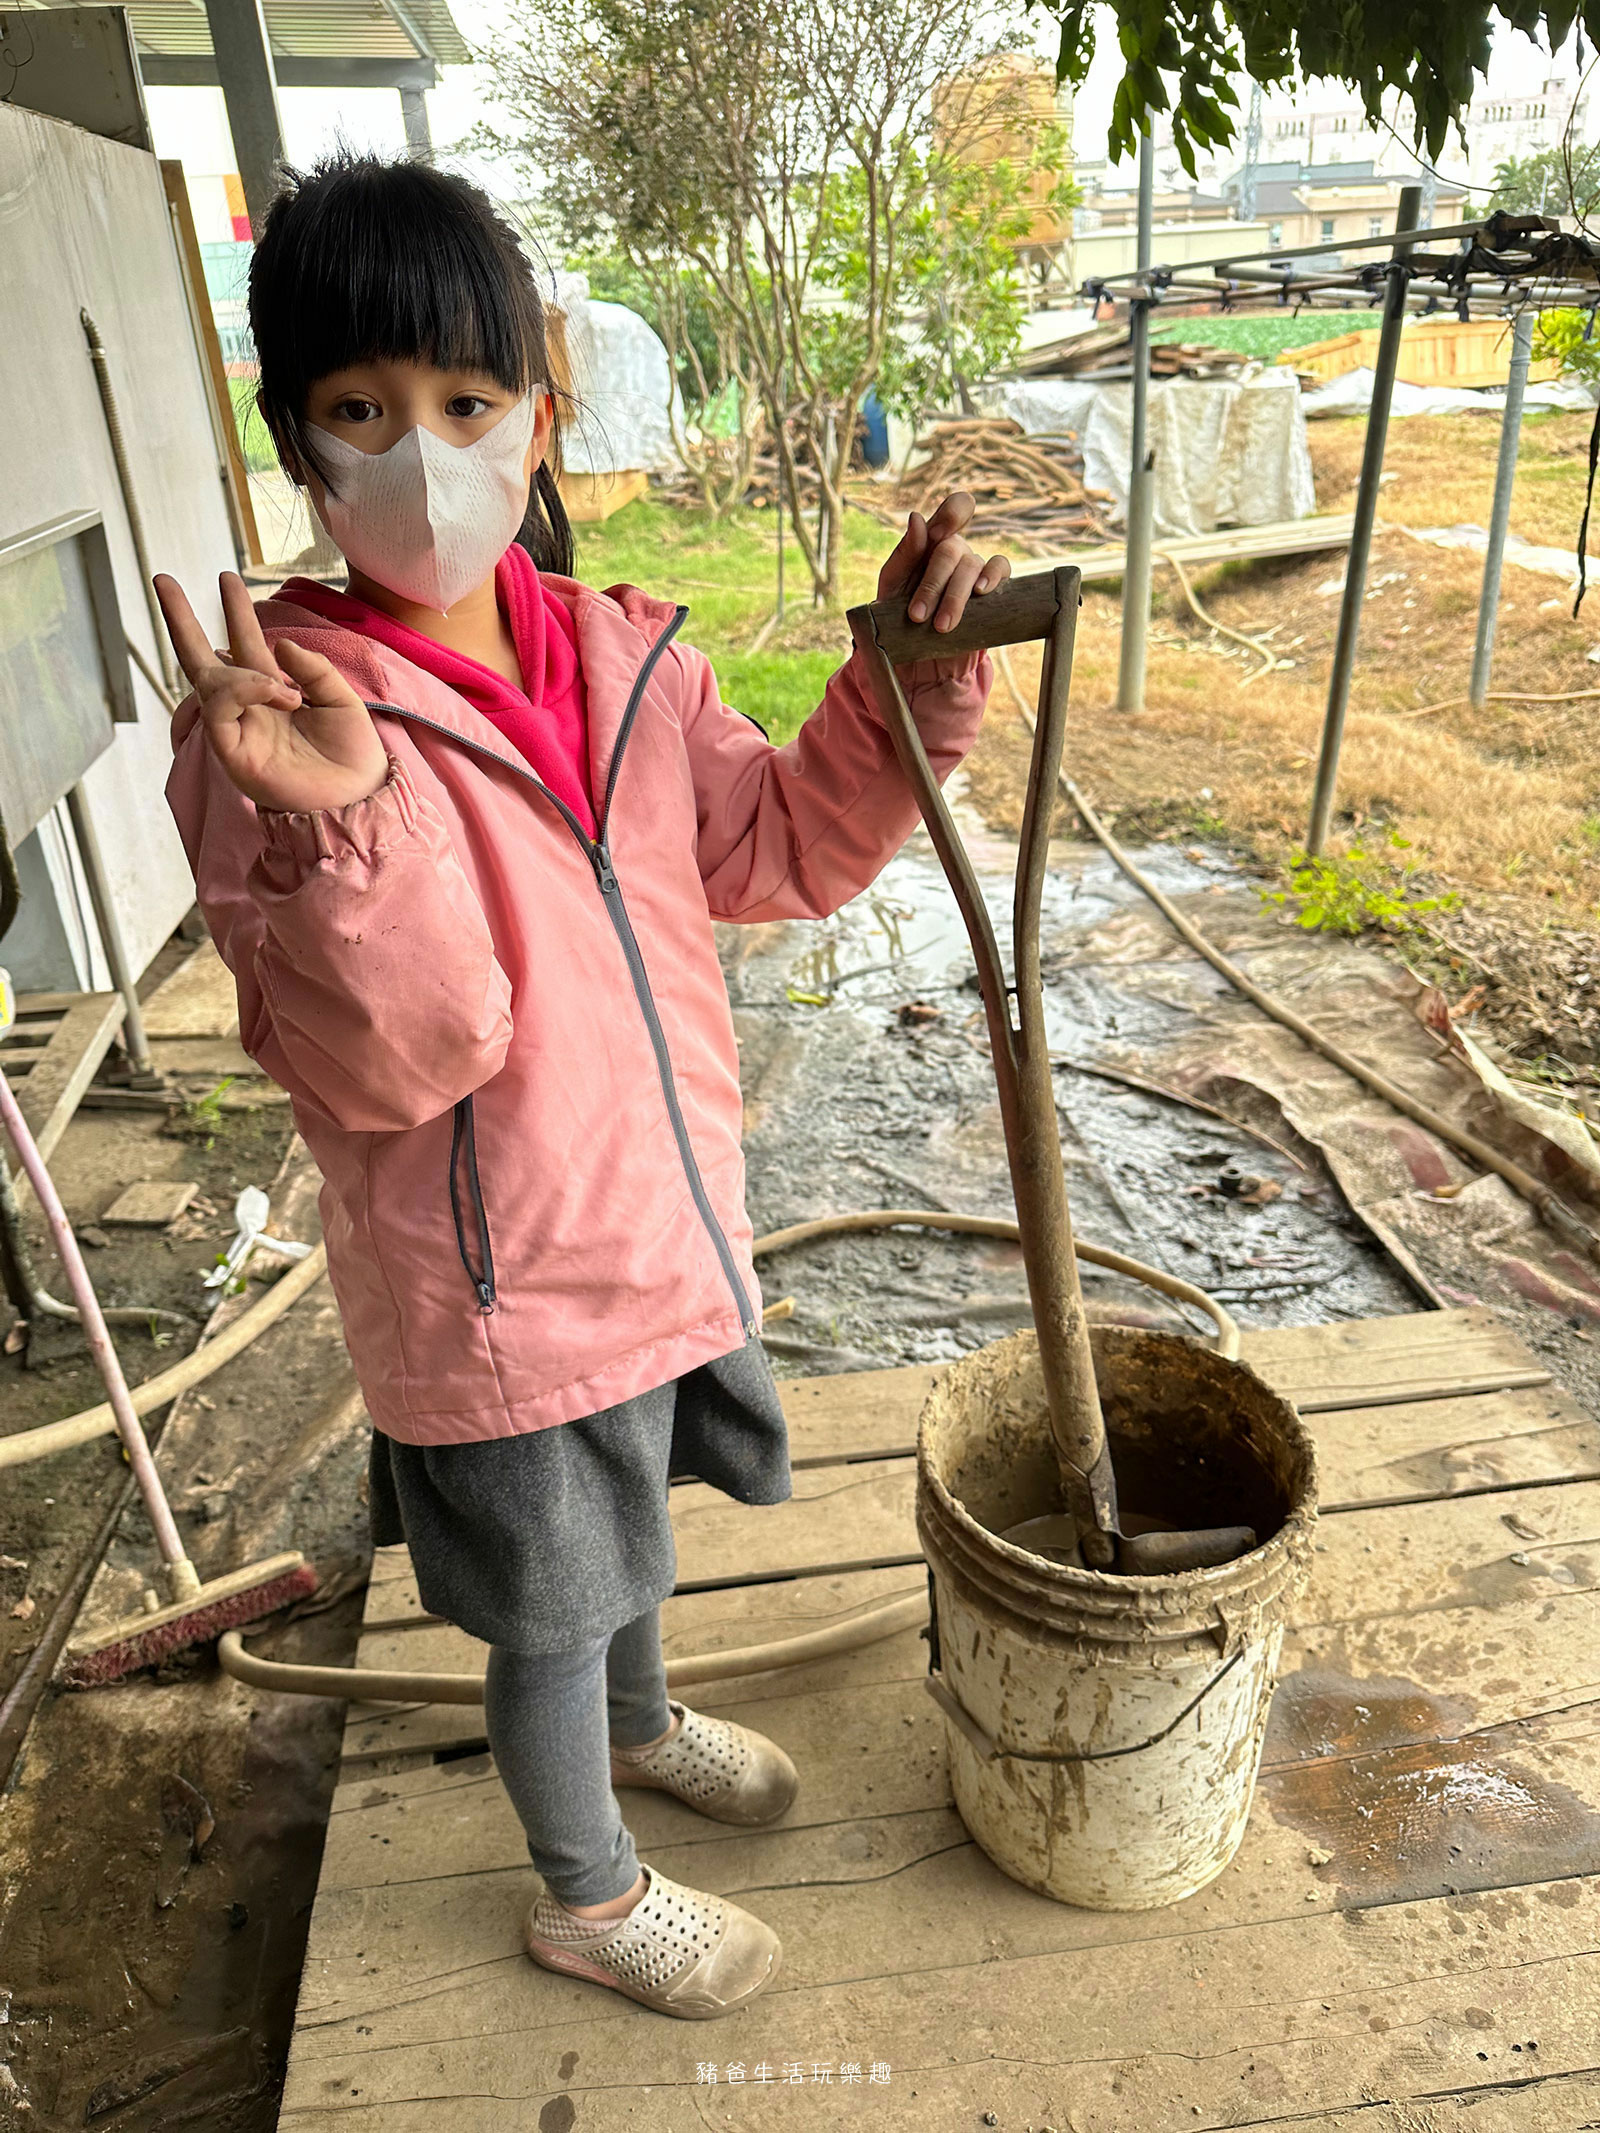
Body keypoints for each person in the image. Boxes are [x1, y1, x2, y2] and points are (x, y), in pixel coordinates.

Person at [158, 153, 1008, 2022]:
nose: (425, 455)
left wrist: (904, 674)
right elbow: (408, 1047)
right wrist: (350, 813)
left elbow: (781, 843)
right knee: (546, 1596)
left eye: (466, 404)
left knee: (632, 1532)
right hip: (484, 1274)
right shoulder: (268, 722)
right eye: (361, 411)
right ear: (298, 441)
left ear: (540, 406)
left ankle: (634, 1726)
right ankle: (586, 1887)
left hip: (646, 1209)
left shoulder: (617, 651)